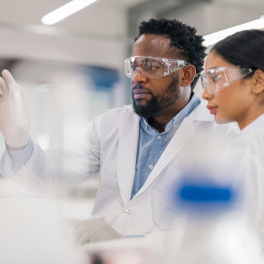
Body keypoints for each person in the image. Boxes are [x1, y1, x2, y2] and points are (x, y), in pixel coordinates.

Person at [0, 18, 234, 243]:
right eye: (134, 66)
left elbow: (218, 230)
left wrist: (130, 240)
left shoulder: (220, 134)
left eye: (152, 67)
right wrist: (17, 142)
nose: (138, 77)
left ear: (185, 75)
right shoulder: (109, 125)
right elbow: (52, 176)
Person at [200, 29, 264, 264]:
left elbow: (230, 253)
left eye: (215, 78)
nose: (205, 94)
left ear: (257, 81)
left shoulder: (252, 147)